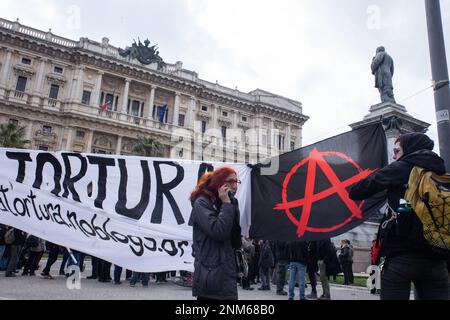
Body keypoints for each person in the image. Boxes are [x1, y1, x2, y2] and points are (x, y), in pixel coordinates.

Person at [349, 132, 450, 300]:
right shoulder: (440, 172)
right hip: (437, 260)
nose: (394, 156)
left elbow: (356, 191)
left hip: (402, 257)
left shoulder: (403, 167)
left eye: (396, 151)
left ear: (409, 149)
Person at [190, 166, 242, 300]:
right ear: (219, 182)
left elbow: (236, 240)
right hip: (210, 276)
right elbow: (219, 232)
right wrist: (227, 205)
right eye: (231, 181)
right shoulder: (202, 202)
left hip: (226, 273)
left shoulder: (230, 202)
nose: (235, 186)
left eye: (237, 182)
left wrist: (230, 206)